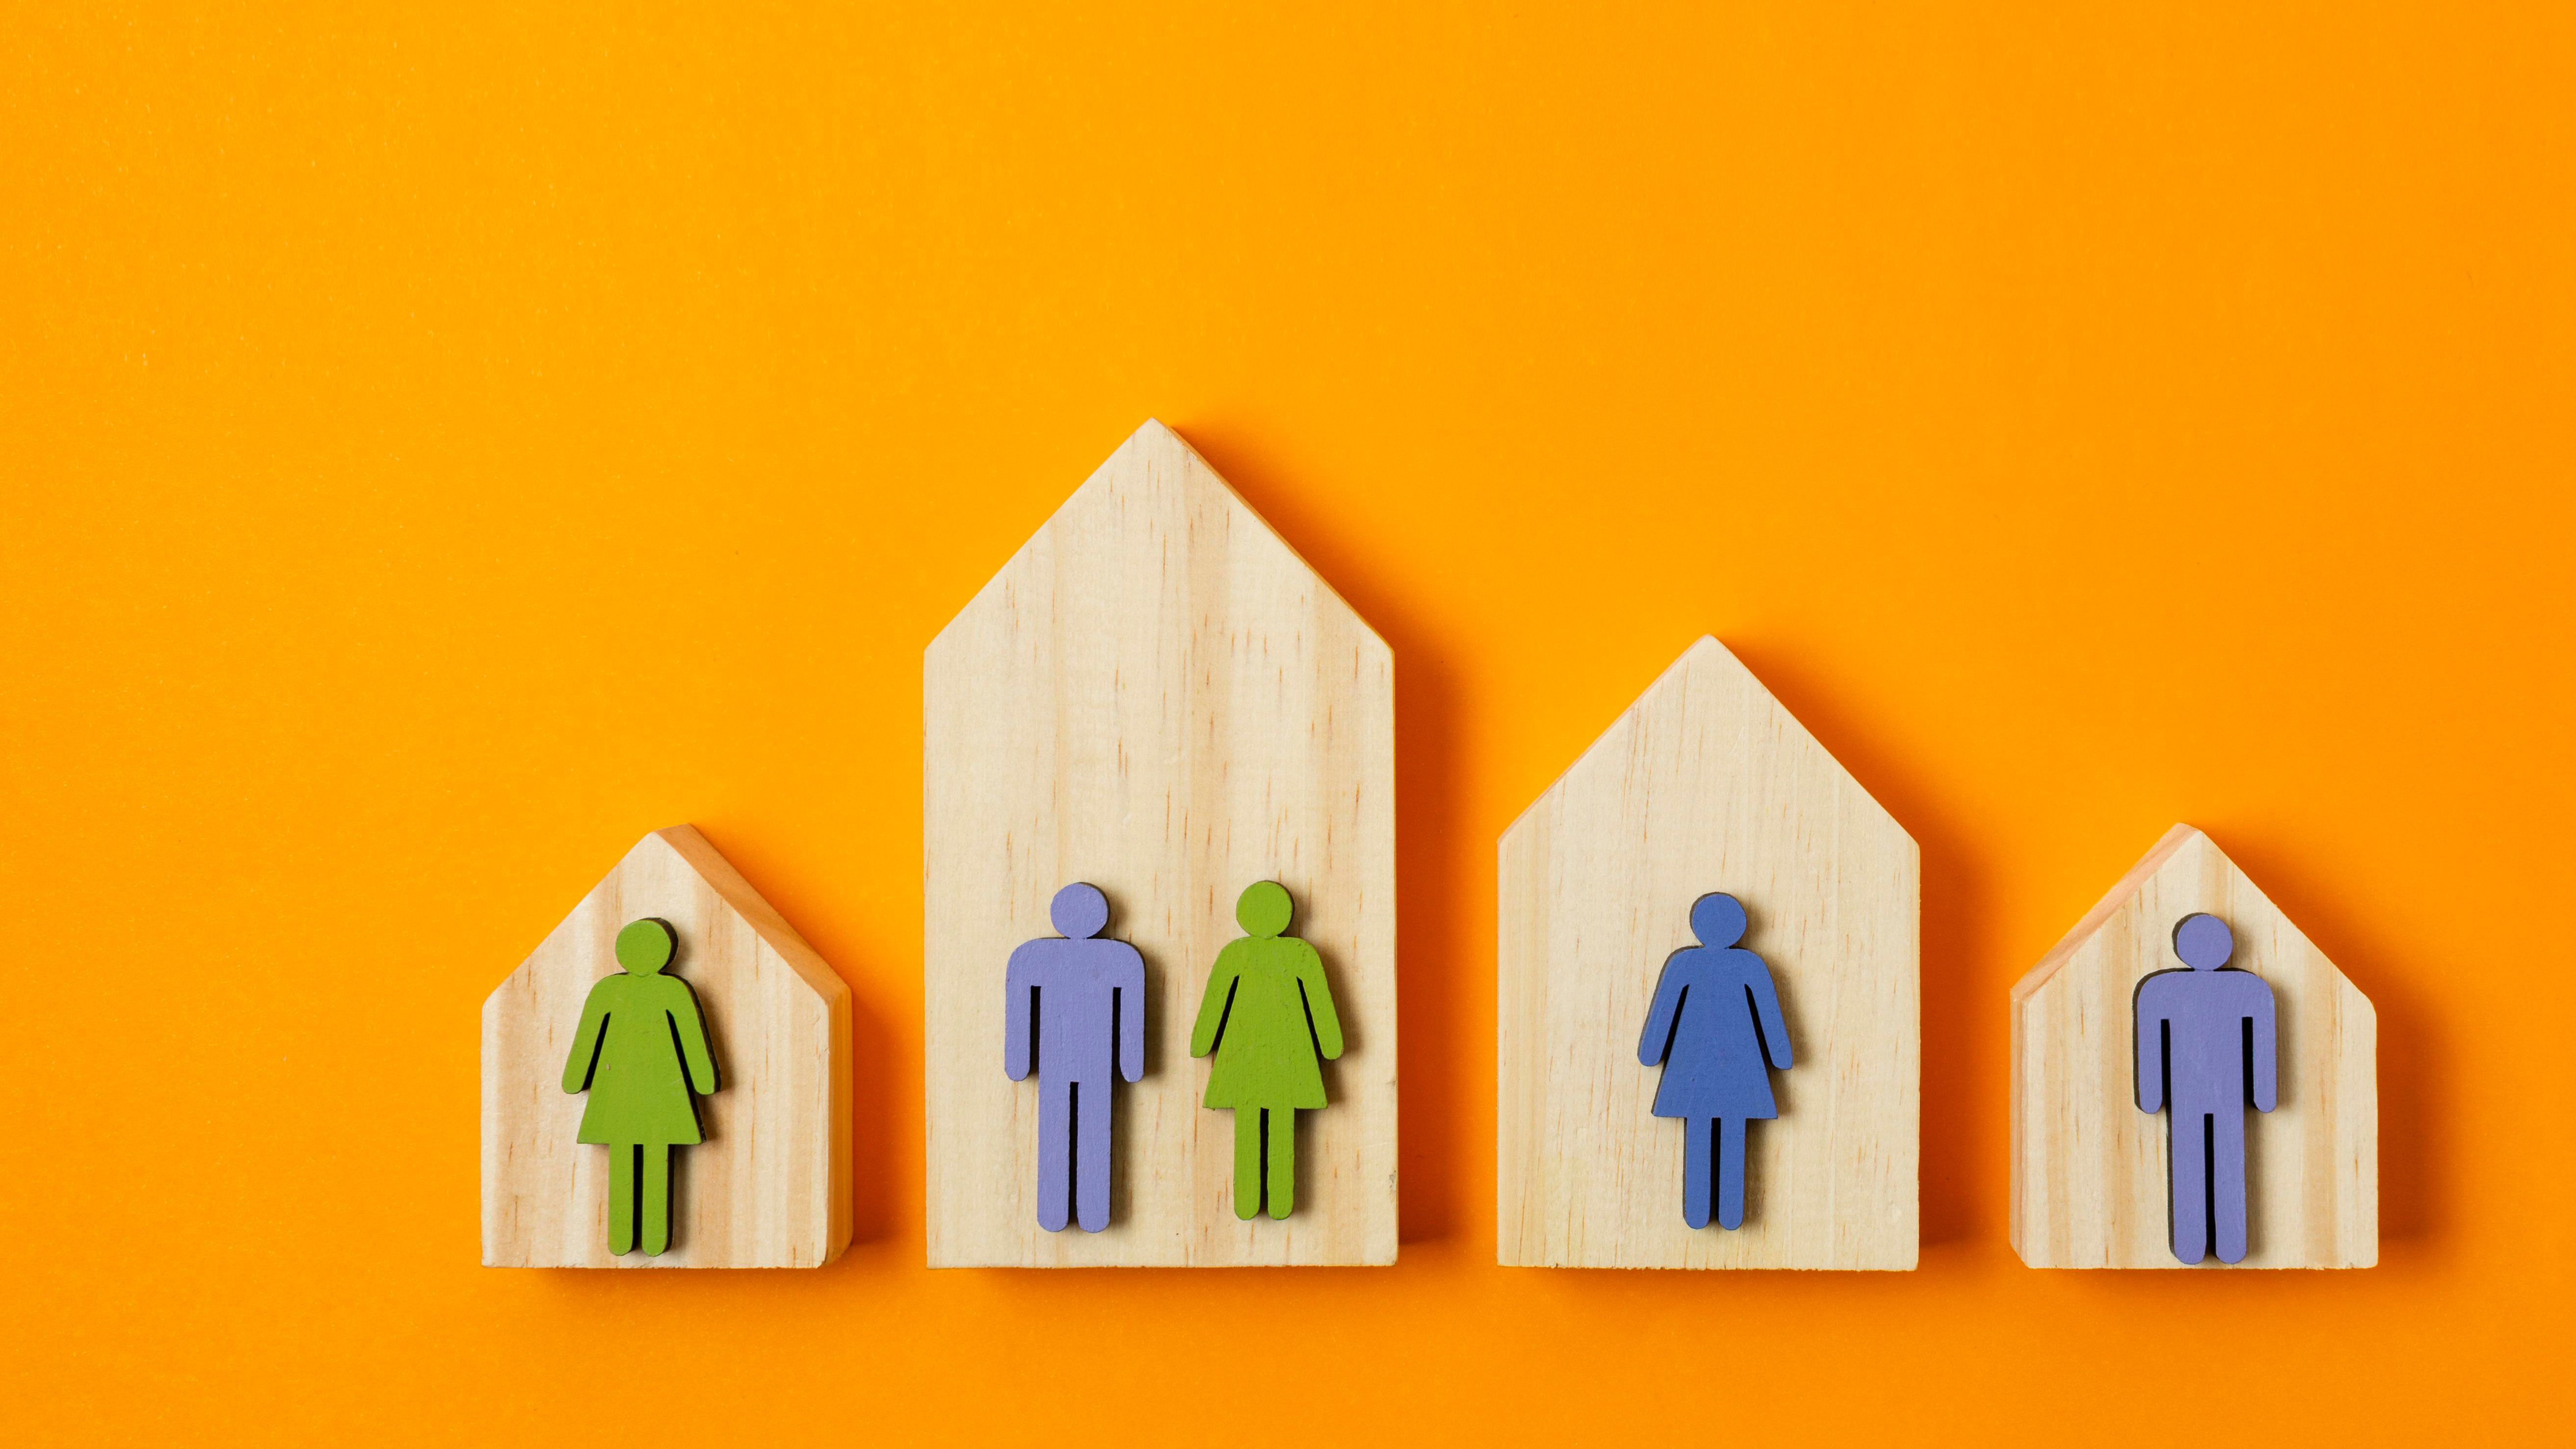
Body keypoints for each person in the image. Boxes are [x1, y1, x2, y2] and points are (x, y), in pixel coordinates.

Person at [561, 917, 719, 1256]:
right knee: (649, 1155)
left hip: (625, 1091)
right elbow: (693, 1042)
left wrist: (575, 1079)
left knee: (632, 1157)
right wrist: (704, 1080)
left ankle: (633, 1236)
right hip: (659, 1091)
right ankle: (642, 1236)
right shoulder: (665, 990)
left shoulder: (613, 990)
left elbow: (586, 1042)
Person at [1637, 892, 1793, 1230]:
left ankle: (1699, 1211)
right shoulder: (1749, 964)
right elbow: (1769, 1019)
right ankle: (1728, 1213)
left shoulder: (1687, 964)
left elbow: (1663, 1015)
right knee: (1731, 1132)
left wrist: (1651, 1053)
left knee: (1700, 1130)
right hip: (1740, 1066)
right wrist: (1780, 1056)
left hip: (1693, 1064)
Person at [1190, 881, 1344, 1220]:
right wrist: (1330, 1044)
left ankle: (1249, 1201)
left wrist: (1201, 1042)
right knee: (1280, 1122)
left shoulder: (1237, 953)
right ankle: (1277, 1202)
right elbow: (1319, 1005)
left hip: (1243, 1054)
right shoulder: (1300, 953)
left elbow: (1214, 1005)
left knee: (1249, 1123)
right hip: (1289, 1054)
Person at [2134, 912, 2277, 1265]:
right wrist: (2263, 1093)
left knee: (2210, 1162)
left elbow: (2261, 1042)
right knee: (2212, 1162)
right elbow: (2150, 1043)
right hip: (2204, 1091)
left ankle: (2205, 1242)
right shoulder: (2245, 987)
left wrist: (2264, 1091)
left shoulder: (2165, 989)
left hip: (2205, 1091)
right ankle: (2207, 1243)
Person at [1003, 882, 1147, 1233]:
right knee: (1090, 1129)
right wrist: (1131, 1062)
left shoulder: (1032, 955)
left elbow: (1020, 1012)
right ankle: (1087, 1211)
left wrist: (1018, 1060)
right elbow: (1130, 1017)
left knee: (1064, 1129)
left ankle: (1068, 1210)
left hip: (1064, 1057)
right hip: (1090, 1059)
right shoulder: (1120, 957)